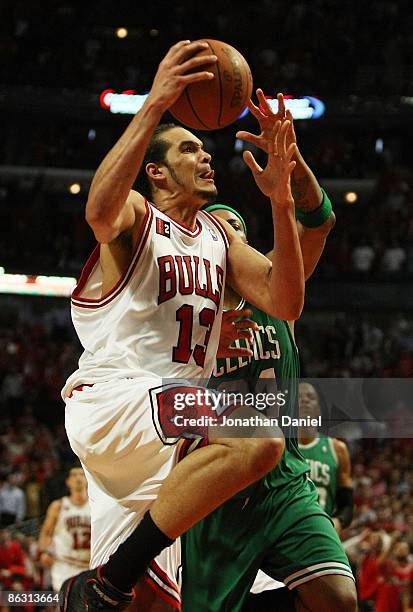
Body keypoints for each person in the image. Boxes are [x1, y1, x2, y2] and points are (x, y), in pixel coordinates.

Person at [59, 40, 305, 610]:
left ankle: (106, 585)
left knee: (153, 604)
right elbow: (98, 210)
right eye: (190, 149)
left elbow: (286, 302)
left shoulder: (220, 239)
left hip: (167, 437)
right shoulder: (137, 217)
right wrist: (155, 104)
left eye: (204, 148)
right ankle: (107, 580)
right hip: (116, 402)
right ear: (156, 172)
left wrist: (283, 201)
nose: (206, 156)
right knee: (258, 432)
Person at [143, 93, 357, 612]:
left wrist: (292, 167)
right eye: (217, 232)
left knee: (340, 599)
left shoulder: (276, 289)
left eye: (237, 228)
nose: (230, 237)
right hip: (217, 487)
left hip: (284, 479)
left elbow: (320, 219)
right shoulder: (185, 316)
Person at [249, 380, 354, 608]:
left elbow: (348, 504)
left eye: (311, 397)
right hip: (284, 533)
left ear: (319, 408)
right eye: (300, 397)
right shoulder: (277, 443)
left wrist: (338, 521)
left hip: (318, 532)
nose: (305, 400)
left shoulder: (337, 449)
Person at [38, 466, 90, 592]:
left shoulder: (96, 505)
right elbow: (45, 533)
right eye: (74, 475)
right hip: (65, 565)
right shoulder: (59, 506)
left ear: (88, 479)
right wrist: (44, 552)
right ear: (68, 482)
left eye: (81, 474)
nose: (78, 477)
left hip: (91, 565)